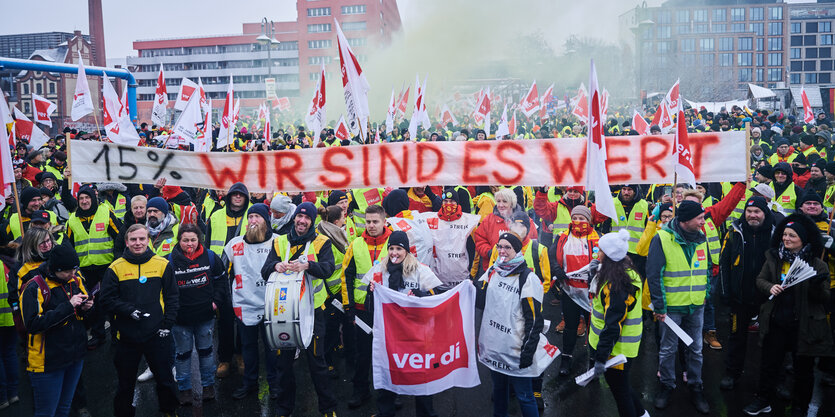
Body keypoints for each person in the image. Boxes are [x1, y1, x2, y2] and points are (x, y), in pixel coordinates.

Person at [742, 214, 832, 416]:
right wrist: (770, 287)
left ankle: (801, 406)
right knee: (769, 365)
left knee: (803, 371)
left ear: (803, 239)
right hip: (776, 322)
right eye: (784, 235)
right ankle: (763, 400)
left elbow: (824, 298)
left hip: (804, 325)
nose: (786, 239)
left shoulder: (818, 265)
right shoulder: (774, 258)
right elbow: (760, 280)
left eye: (792, 235)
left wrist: (816, 286)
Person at [259, 202, 337, 416]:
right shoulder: (279, 241)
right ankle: (284, 408)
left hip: (313, 312)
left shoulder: (322, 242)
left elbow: (329, 268)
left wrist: (308, 266)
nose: (302, 221)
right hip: (283, 311)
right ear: (294, 218)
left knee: (317, 363)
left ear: (312, 221)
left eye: (307, 219)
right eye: (299, 217)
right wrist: (275, 266)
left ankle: (328, 408)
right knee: (283, 365)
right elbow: (264, 270)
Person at [99, 224, 179, 417]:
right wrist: (128, 311)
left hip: (157, 334)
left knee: (165, 380)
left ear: (148, 240)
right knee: (125, 383)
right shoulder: (115, 267)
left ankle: (170, 411)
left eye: (142, 239)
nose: (138, 243)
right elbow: (106, 300)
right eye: (133, 239)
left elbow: (172, 297)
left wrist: (167, 324)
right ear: (126, 242)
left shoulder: (162, 264)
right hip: (126, 337)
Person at [363, 231, 442, 417]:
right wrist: (370, 292)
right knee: (388, 374)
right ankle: (385, 412)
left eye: (399, 249)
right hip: (389, 336)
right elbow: (369, 308)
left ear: (406, 250)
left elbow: (435, 298)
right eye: (391, 248)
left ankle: (426, 413)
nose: (394, 253)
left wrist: (419, 297)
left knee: (420, 376)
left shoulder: (420, 270)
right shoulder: (378, 271)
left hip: (416, 336)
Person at [647, 200, 710, 414]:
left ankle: (695, 385)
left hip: (696, 305)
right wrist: (660, 306)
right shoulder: (662, 238)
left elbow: (706, 269)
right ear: (685, 220)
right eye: (700, 218)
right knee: (668, 349)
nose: (704, 221)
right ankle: (667, 385)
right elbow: (654, 275)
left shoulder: (702, 238)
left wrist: (705, 294)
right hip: (671, 308)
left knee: (696, 349)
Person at [477, 231, 548, 417]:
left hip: (516, 349)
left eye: (507, 247)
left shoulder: (528, 278)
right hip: (495, 347)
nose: (502, 250)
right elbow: (480, 302)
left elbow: (534, 320)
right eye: (499, 246)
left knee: (525, 396)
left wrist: (527, 351)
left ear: (517, 250)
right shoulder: (493, 270)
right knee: (499, 392)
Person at [20, 245, 91, 417]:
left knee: (64, 408)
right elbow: (33, 324)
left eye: (74, 269)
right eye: (67, 271)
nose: (72, 275)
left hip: (74, 356)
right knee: (46, 412)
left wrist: (86, 308)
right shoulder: (34, 287)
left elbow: (79, 318)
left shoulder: (74, 281)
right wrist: (69, 306)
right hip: (48, 363)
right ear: (54, 269)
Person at [222, 204, 279, 400]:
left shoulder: (278, 242)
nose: (253, 220)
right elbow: (223, 270)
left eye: (258, 217)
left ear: (266, 220)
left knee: (272, 348)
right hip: (244, 303)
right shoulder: (234, 244)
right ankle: (250, 383)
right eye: (251, 216)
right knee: (248, 348)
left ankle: (274, 385)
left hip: (271, 304)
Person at [588, 229, 646, 417]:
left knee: (620, 392)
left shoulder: (618, 283)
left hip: (617, 350)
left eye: (600, 250)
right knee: (623, 387)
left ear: (610, 255)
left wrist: (600, 357)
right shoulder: (622, 270)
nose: (597, 252)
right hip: (617, 348)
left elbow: (613, 324)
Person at [719, 196, 774, 390]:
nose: (752, 215)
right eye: (749, 211)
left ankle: (772, 379)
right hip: (739, 296)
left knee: (770, 340)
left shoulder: (775, 232)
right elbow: (724, 262)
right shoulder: (734, 232)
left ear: (764, 213)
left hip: (767, 298)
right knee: (736, 337)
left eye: (756, 212)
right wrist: (726, 292)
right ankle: (732, 373)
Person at [167, 224, 226, 405]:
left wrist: (216, 302)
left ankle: (208, 387)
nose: (189, 244)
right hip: (181, 319)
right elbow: (165, 289)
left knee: (206, 353)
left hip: (205, 316)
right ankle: (184, 389)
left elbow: (222, 280)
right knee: (182, 355)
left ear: (199, 240)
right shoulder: (169, 260)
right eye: (185, 240)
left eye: (193, 240)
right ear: (179, 241)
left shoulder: (210, 257)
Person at [341, 204, 391, 409]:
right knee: (362, 354)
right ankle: (360, 391)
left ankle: (390, 394)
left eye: (375, 222)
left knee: (388, 353)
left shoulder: (394, 243)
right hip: (362, 311)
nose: (371, 225)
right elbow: (346, 277)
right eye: (368, 222)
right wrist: (348, 307)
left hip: (387, 310)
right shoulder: (355, 245)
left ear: (384, 222)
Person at [205, 182, 251, 378]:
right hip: (220, 274)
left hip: (244, 273)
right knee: (224, 319)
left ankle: (240, 355)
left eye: (242, 195)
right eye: (235, 194)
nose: (238, 198)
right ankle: (224, 358)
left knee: (242, 317)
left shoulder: (252, 216)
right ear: (229, 196)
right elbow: (207, 245)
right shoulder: (215, 216)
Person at [315, 204, 352, 378]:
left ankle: (337, 348)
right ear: (337, 221)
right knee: (329, 329)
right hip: (330, 293)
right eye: (343, 217)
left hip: (338, 290)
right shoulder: (327, 240)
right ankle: (326, 361)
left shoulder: (329, 232)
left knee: (337, 324)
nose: (345, 220)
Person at [419, 188, 480, 290]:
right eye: (445, 201)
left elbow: (474, 249)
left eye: (452, 201)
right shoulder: (430, 219)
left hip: (461, 280)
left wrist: (472, 273)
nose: (448, 204)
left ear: (457, 203)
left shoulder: (468, 221)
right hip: (437, 282)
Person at [473, 188, 538, 273]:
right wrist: (490, 252)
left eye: (504, 201)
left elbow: (532, 243)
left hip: (518, 269)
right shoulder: (488, 220)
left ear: (512, 203)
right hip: (494, 268)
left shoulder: (525, 221)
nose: (500, 205)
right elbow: (479, 240)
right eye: (498, 201)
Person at [0, 253, 16, 411]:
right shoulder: (7, 261)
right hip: (11, 317)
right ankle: (13, 393)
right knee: (10, 353)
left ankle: (3, 397)